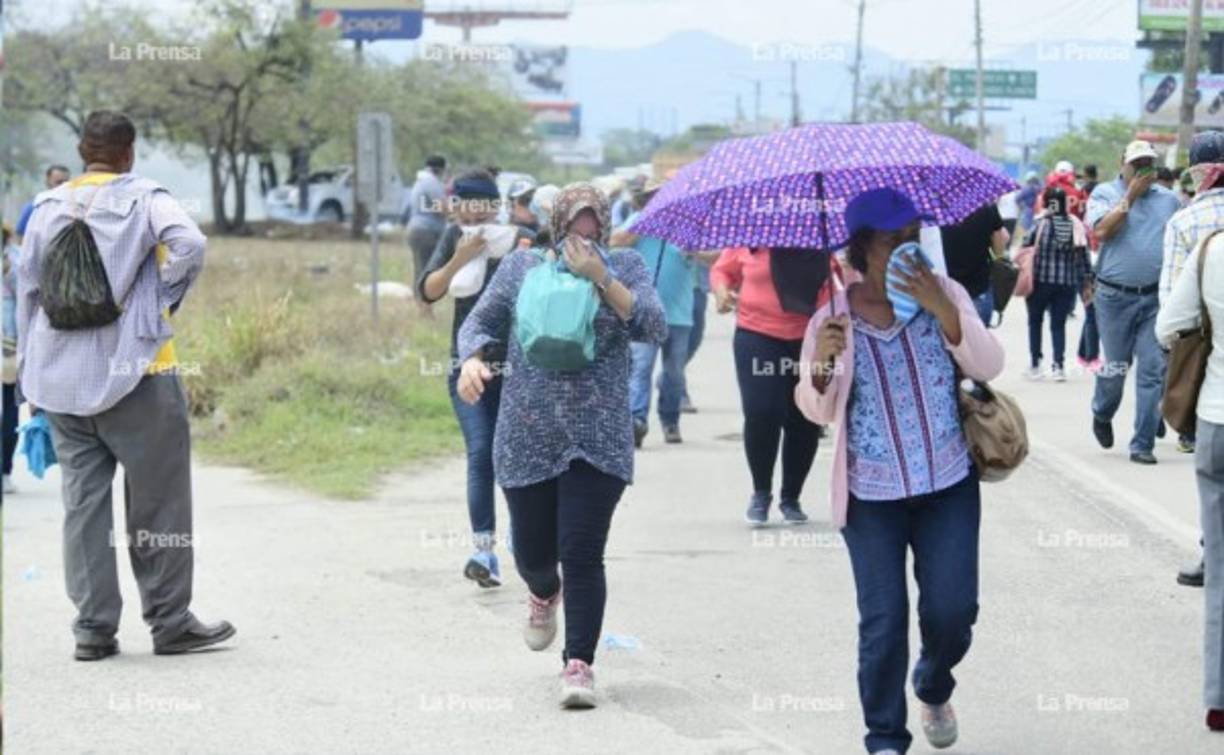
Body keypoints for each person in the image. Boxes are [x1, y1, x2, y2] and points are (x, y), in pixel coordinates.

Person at [16, 110, 234, 660]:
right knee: (159, 505)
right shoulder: (145, 196)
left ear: (82, 150)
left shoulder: (45, 207)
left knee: (82, 506)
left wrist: (29, 371)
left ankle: (92, 629)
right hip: (139, 374)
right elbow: (191, 244)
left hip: (61, 382)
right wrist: (155, 301)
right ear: (128, 153)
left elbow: (26, 292)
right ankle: (169, 622)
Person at [795, 187, 1004, 755]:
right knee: (883, 622)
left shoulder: (947, 294)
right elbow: (815, 410)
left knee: (953, 611)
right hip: (871, 496)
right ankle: (885, 738)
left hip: (947, 484)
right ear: (862, 249)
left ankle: (934, 683)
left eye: (915, 239)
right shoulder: (832, 320)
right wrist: (821, 367)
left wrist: (945, 312)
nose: (910, 252)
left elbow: (990, 364)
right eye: (895, 243)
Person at [455, 182, 666, 708]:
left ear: (607, 225)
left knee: (583, 551)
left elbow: (653, 326)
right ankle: (543, 591)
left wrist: (604, 280)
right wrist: (475, 358)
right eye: (578, 222)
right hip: (528, 432)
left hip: (598, 436)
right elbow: (480, 319)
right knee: (532, 552)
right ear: (559, 223)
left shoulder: (629, 266)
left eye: (595, 222)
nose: (586, 232)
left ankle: (579, 664)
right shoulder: (522, 268)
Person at [417, 170, 531, 589]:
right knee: (481, 452)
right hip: (465, 366)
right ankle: (484, 551)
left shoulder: (520, 237)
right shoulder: (454, 238)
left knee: (516, 457)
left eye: (482, 203)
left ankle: (524, 541)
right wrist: (460, 259)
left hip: (519, 368)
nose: (474, 211)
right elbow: (428, 291)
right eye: (466, 203)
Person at [1155, 230, 1224, 734]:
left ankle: (1220, 699)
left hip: (1218, 421)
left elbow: (1169, 327)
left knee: (1220, 569)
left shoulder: (1211, 249)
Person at [711, 244, 831, 526]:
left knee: (804, 418)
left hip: (808, 338)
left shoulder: (819, 241)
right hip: (757, 334)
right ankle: (761, 492)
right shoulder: (752, 238)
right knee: (762, 410)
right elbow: (722, 270)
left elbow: (834, 290)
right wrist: (721, 291)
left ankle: (791, 496)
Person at [1086, 140, 1183, 465]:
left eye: (1149, 164)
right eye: (1137, 163)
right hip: (1114, 297)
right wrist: (1129, 198)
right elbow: (1101, 232)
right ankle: (1102, 411)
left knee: (1152, 372)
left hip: (1154, 298)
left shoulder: (1169, 201)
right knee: (1115, 369)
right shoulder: (1104, 193)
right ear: (1122, 163)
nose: (1144, 170)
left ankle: (1142, 444)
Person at [1164, 132, 1224, 587]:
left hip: (1212, 378)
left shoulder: (1186, 222)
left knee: (1213, 481)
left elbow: (1169, 321)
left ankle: (1213, 556)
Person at [612, 177, 694, 446]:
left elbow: (715, 254)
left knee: (674, 372)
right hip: (643, 310)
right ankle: (637, 422)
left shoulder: (687, 225)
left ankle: (670, 421)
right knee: (640, 369)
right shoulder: (638, 218)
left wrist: (695, 252)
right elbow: (614, 242)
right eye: (654, 195)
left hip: (679, 313)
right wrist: (641, 225)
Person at [1022, 186, 1091, 381]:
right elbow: (1084, 256)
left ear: (1046, 203)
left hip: (1040, 283)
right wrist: (1087, 281)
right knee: (1058, 325)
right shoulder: (1075, 226)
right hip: (1066, 284)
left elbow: (1026, 246)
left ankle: (1036, 365)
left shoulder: (1040, 225)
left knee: (1035, 322)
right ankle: (1058, 367)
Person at [939, 201, 1009, 327]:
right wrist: (997, 256)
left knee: (947, 344)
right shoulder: (986, 205)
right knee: (979, 343)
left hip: (943, 293)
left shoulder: (934, 208)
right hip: (978, 290)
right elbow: (1001, 238)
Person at [405, 155, 448, 318]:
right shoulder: (431, 183)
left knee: (420, 269)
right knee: (426, 270)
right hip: (426, 231)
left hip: (416, 229)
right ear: (441, 169)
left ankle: (422, 306)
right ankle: (425, 308)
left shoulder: (421, 182)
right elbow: (442, 207)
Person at [2, 223, 20, 495]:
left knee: (10, 410)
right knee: (10, 409)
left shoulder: (14, 262)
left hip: (8, 348)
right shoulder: (15, 260)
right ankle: (4, 471)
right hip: (10, 347)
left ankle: (4, 470)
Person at [14, 163, 71, 244]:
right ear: (48, 182)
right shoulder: (34, 207)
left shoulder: (74, 209)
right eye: (59, 182)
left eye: (66, 182)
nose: (64, 186)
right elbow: (20, 236)